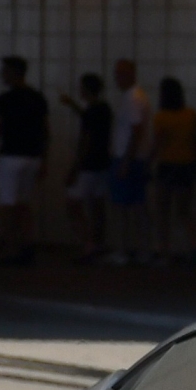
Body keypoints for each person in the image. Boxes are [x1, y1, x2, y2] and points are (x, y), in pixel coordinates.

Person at [0, 55, 46, 266]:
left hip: (11, 156)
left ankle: (11, 249)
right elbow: (44, 131)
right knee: (23, 204)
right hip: (33, 157)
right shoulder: (38, 97)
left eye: (4, 71)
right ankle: (27, 245)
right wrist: (44, 159)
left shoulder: (5, 99)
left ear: (13, 73)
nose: (1, 74)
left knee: (7, 205)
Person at [149, 77, 196, 264]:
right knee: (183, 212)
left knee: (163, 212)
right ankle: (193, 248)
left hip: (167, 166)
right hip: (187, 166)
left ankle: (164, 253)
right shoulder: (191, 115)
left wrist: (147, 163)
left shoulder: (161, 117)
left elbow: (158, 144)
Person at [58, 72, 112, 263]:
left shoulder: (91, 113)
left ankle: (87, 244)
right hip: (103, 164)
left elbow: (85, 142)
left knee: (73, 204)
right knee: (98, 206)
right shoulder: (105, 109)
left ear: (86, 89)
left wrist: (74, 169)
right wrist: (73, 105)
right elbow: (90, 120)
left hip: (87, 166)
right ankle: (98, 243)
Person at [105, 58, 152, 264]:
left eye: (120, 74)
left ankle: (123, 250)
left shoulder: (132, 98)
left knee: (122, 207)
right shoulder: (137, 96)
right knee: (137, 205)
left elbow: (136, 130)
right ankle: (143, 250)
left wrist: (125, 160)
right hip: (135, 158)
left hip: (128, 158)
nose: (117, 78)